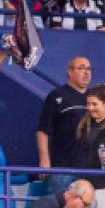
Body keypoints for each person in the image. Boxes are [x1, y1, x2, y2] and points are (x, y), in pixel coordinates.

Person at [36, 57, 91, 194]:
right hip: (62, 167)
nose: (86, 72)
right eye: (81, 68)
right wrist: (44, 160)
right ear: (70, 72)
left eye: (89, 69)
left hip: (91, 168)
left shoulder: (94, 98)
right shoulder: (57, 96)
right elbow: (43, 130)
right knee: (58, 207)